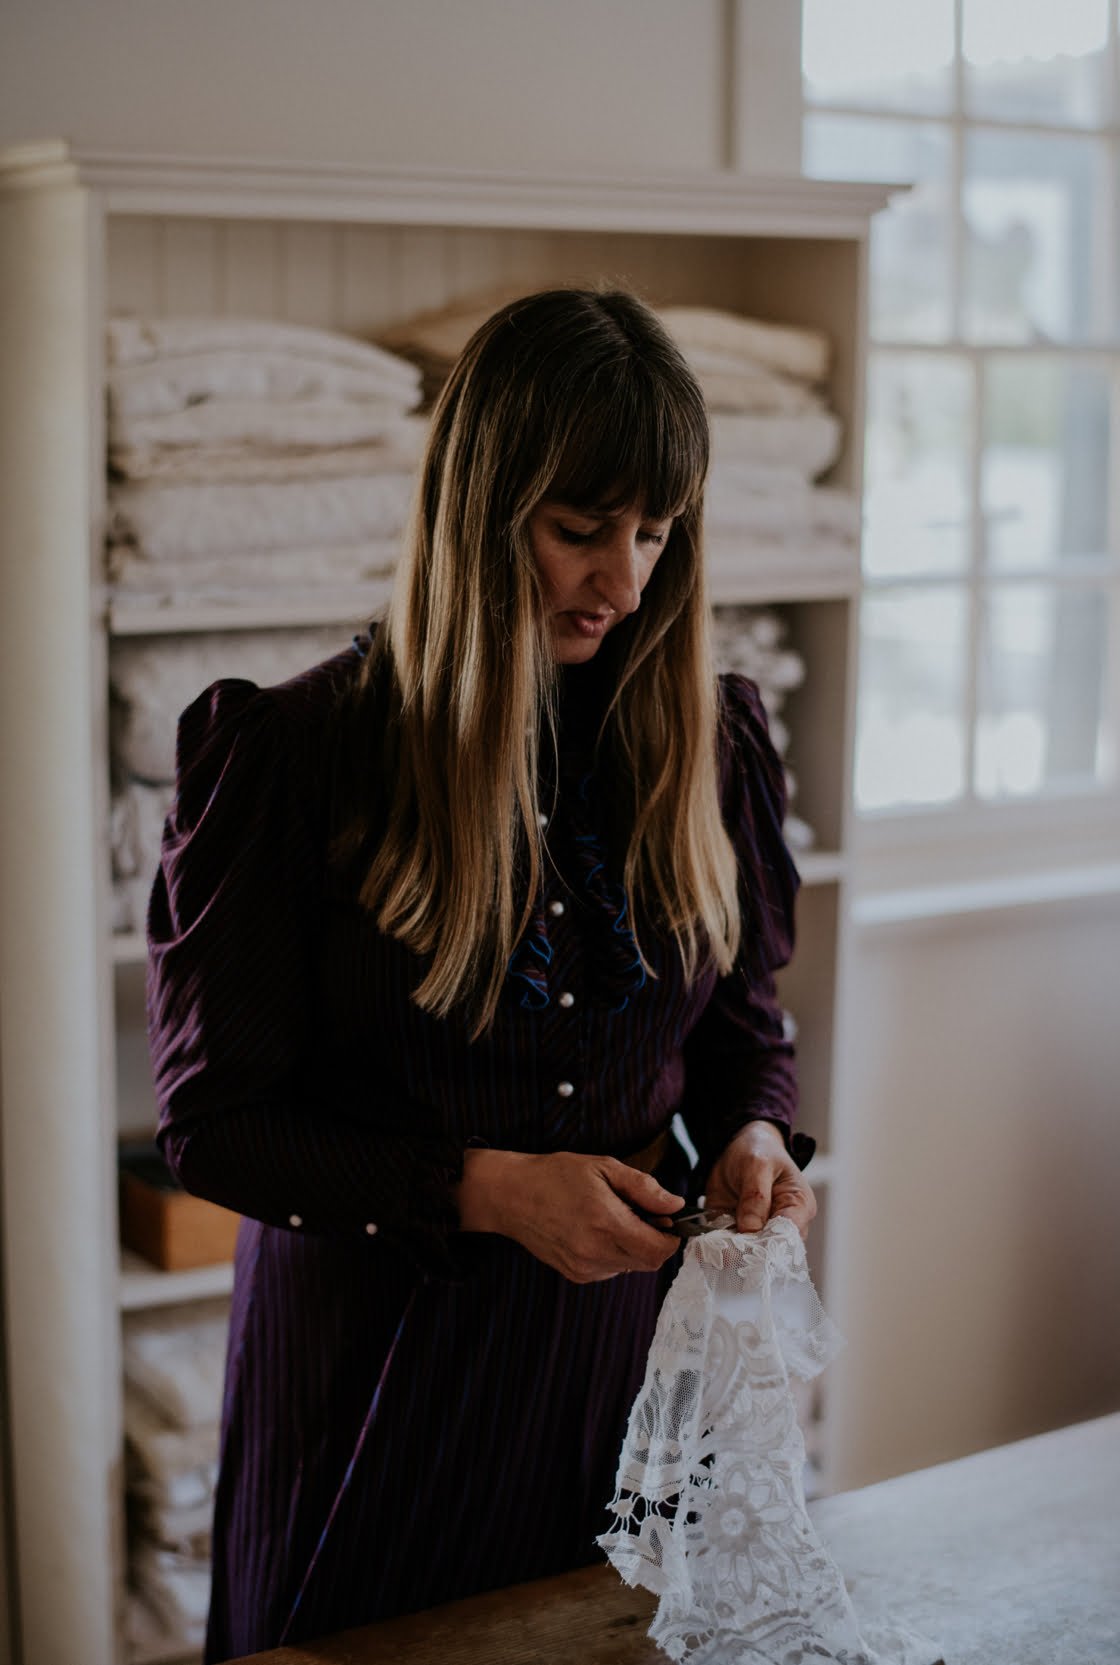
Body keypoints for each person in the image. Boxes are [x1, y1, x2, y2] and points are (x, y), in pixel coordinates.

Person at [147, 287, 817, 1662]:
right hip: (376, 1378)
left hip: (621, 1375)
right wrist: (487, 1190)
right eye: (580, 529)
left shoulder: (711, 746)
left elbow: (742, 1029)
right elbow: (213, 1125)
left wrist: (756, 1132)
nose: (625, 583)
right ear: (478, 509)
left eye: (655, 532)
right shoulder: (295, 759)